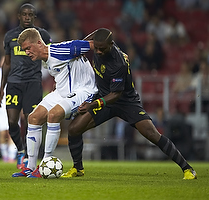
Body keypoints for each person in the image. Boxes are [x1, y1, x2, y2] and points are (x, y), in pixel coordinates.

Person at [61, 28, 197, 180]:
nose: (98, 52)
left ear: (111, 45)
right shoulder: (100, 44)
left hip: (125, 101)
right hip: (104, 97)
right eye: (96, 48)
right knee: (74, 129)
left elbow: (116, 94)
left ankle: (187, 169)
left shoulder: (118, 63)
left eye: (102, 49)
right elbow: (96, 35)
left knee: (152, 134)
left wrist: (91, 105)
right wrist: (82, 45)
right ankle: (77, 168)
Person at [11, 28, 98, 178]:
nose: (27, 53)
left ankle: (45, 162)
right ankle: (30, 167)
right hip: (62, 92)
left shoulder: (61, 50)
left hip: (84, 90)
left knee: (54, 114)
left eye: (28, 48)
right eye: (24, 50)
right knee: (33, 117)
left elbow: (92, 44)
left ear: (39, 43)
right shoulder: (45, 60)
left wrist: (114, 54)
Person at [0, 3, 52, 169]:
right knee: (12, 122)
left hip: (33, 83)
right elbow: (7, 63)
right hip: (13, 83)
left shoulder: (42, 34)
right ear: (19, 16)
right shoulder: (10, 36)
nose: (27, 17)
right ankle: (21, 150)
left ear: (35, 17)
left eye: (31, 15)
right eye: (24, 14)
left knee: (31, 122)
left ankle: (29, 156)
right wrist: (2, 87)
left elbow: (51, 57)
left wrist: (55, 80)